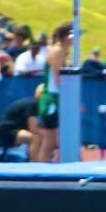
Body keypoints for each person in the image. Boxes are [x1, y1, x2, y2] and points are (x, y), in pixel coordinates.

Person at [35, 23, 71, 163]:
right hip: (52, 99)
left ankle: (47, 167)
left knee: (51, 140)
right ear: (65, 36)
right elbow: (57, 76)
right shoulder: (58, 50)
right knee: (49, 141)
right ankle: (42, 170)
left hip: (53, 97)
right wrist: (67, 97)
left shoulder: (60, 50)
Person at [0, 94, 39, 161]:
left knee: (39, 138)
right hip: (6, 130)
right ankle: (35, 164)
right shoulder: (33, 104)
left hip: (17, 129)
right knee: (34, 138)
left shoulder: (36, 105)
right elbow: (34, 128)